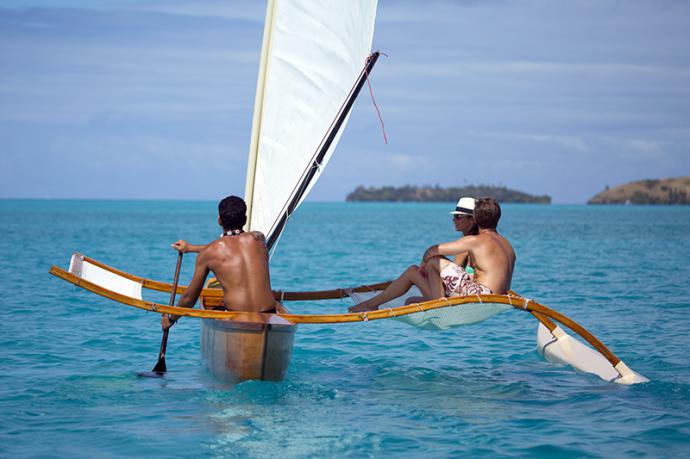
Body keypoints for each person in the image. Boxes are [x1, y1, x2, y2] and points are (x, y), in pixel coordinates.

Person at [349, 197, 515, 313]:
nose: (454, 220)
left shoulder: (476, 241)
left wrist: (425, 267)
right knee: (410, 301)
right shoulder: (508, 246)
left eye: (458, 217)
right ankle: (374, 303)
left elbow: (432, 251)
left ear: (476, 219)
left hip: (479, 296)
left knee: (433, 260)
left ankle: (373, 304)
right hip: (495, 297)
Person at [161, 196, 279, 330]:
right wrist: (191, 248)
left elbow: (189, 299)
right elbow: (235, 246)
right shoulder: (259, 238)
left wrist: (171, 318)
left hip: (237, 317)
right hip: (269, 315)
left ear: (219, 220)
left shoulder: (209, 253)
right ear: (245, 220)